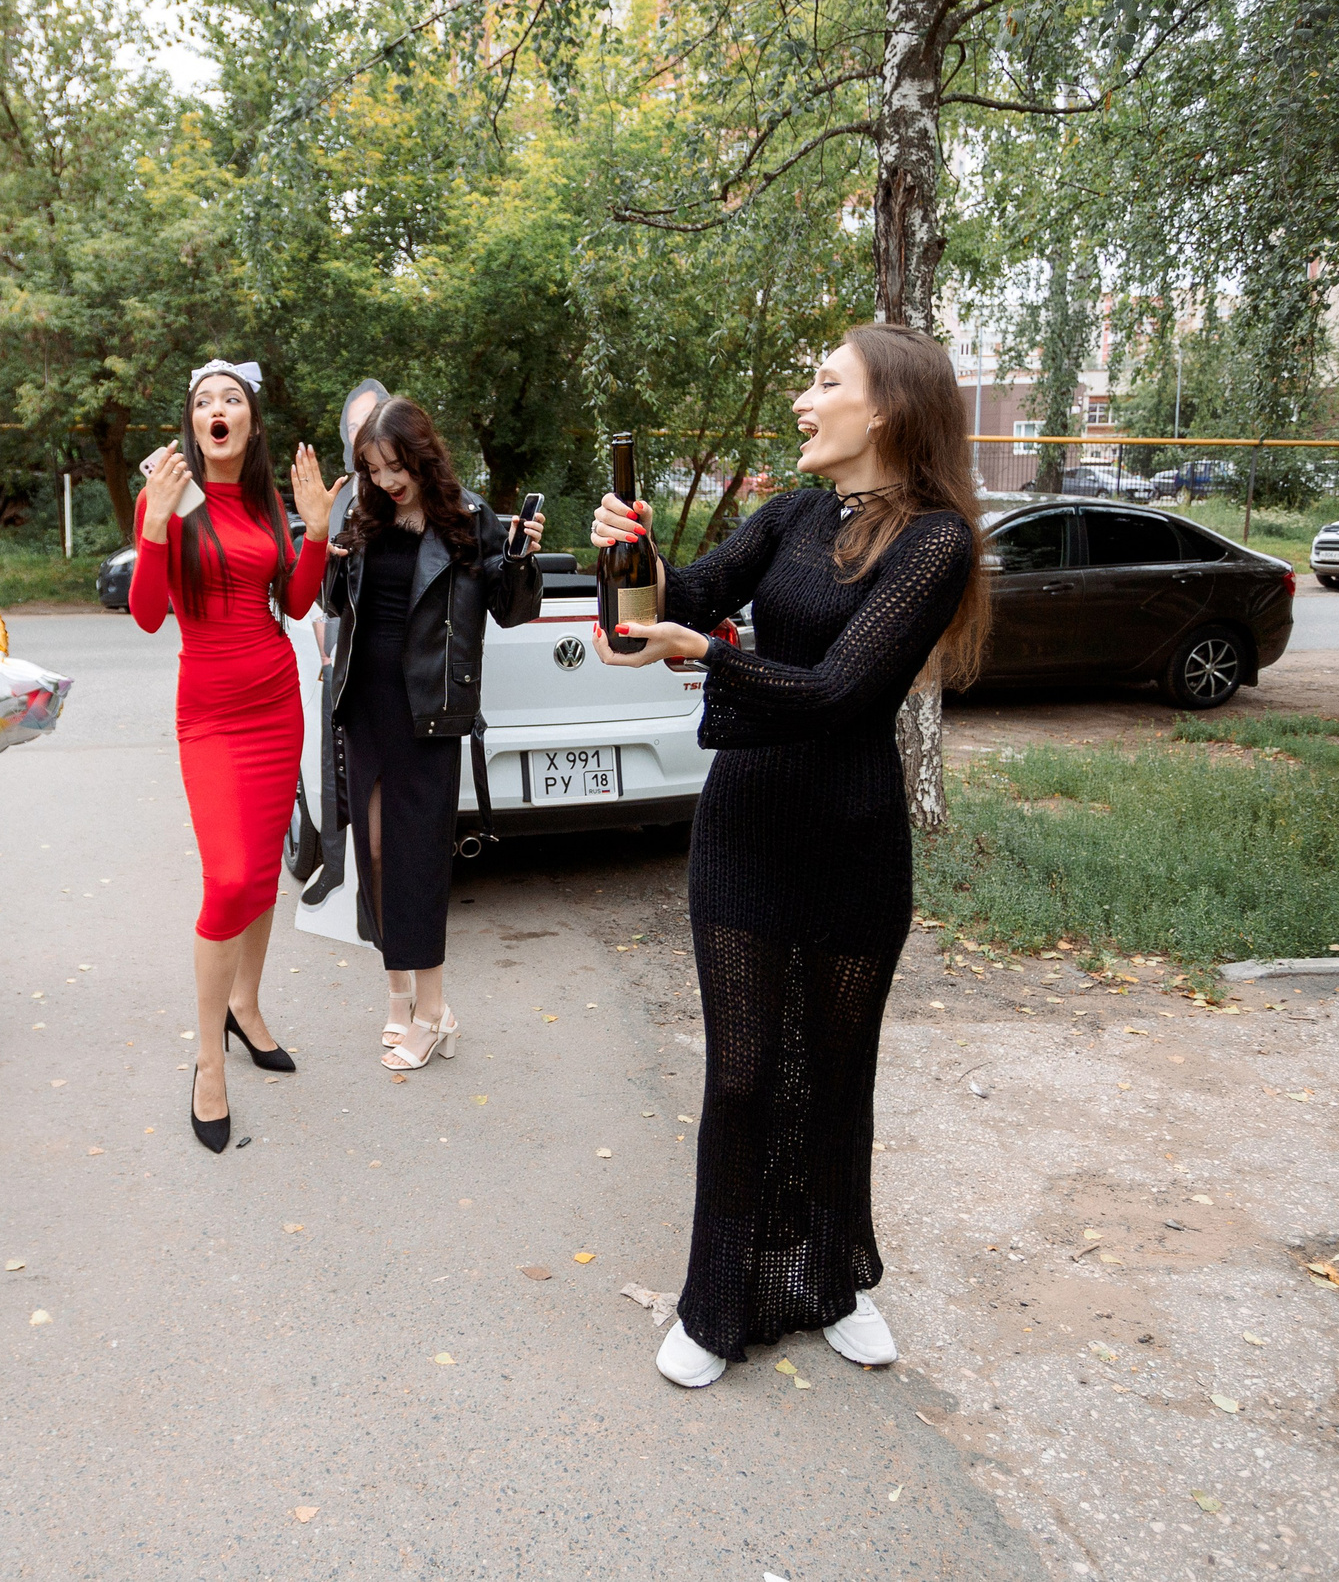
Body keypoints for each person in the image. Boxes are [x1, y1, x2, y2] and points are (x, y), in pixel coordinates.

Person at [588, 322, 988, 1388]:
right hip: (747, 832)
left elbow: (839, 694)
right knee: (746, 1074)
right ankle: (715, 1304)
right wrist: (625, 558)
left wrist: (708, 655)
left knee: (837, 1075)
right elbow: (670, 608)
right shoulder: (793, 514)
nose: (803, 402)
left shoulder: (933, 542)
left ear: (888, 409)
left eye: (824, 384)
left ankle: (832, 1280)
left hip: (854, 841)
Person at [130, 359, 339, 1151]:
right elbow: (150, 615)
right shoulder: (171, 498)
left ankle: (246, 1004)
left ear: (249, 422)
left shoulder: (264, 503)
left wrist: (315, 529)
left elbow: (293, 601)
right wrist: (152, 533)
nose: (219, 409)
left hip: (275, 704)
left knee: (259, 876)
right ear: (193, 422)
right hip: (211, 716)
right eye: (204, 400)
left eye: (233, 399)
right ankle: (208, 1055)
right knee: (227, 879)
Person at [320, 395, 543, 1068]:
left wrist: (521, 559)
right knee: (377, 850)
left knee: (418, 856)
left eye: (395, 466)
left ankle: (431, 1008)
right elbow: (334, 602)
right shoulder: (367, 515)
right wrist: (322, 543)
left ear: (420, 455)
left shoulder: (469, 518)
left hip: (429, 708)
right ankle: (397, 993)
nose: (387, 480)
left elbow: (510, 610)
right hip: (365, 700)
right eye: (374, 468)